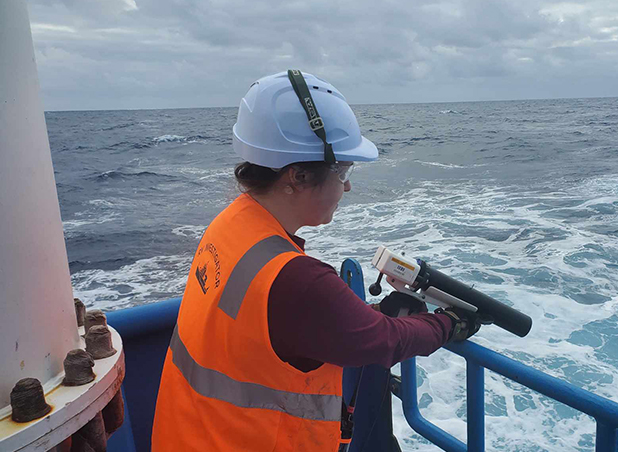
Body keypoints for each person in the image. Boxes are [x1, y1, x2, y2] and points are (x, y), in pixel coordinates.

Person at [151, 70, 480, 451]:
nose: (348, 185)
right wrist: (447, 323)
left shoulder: (232, 222)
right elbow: (382, 342)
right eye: (342, 171)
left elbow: (275, 322)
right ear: (297, 176)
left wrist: (366, 312)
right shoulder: (297, 280)